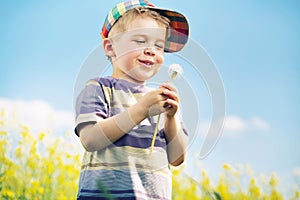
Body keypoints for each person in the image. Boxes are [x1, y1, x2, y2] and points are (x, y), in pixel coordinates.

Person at [74, 0, 189, 199]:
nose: (151, 50)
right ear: (111, 48)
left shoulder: (160, 100)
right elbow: (91, 140)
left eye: (159, 45)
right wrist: (141, 110)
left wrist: (171, 118)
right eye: (140, 41)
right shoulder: (99, 88)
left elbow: (177, 158)